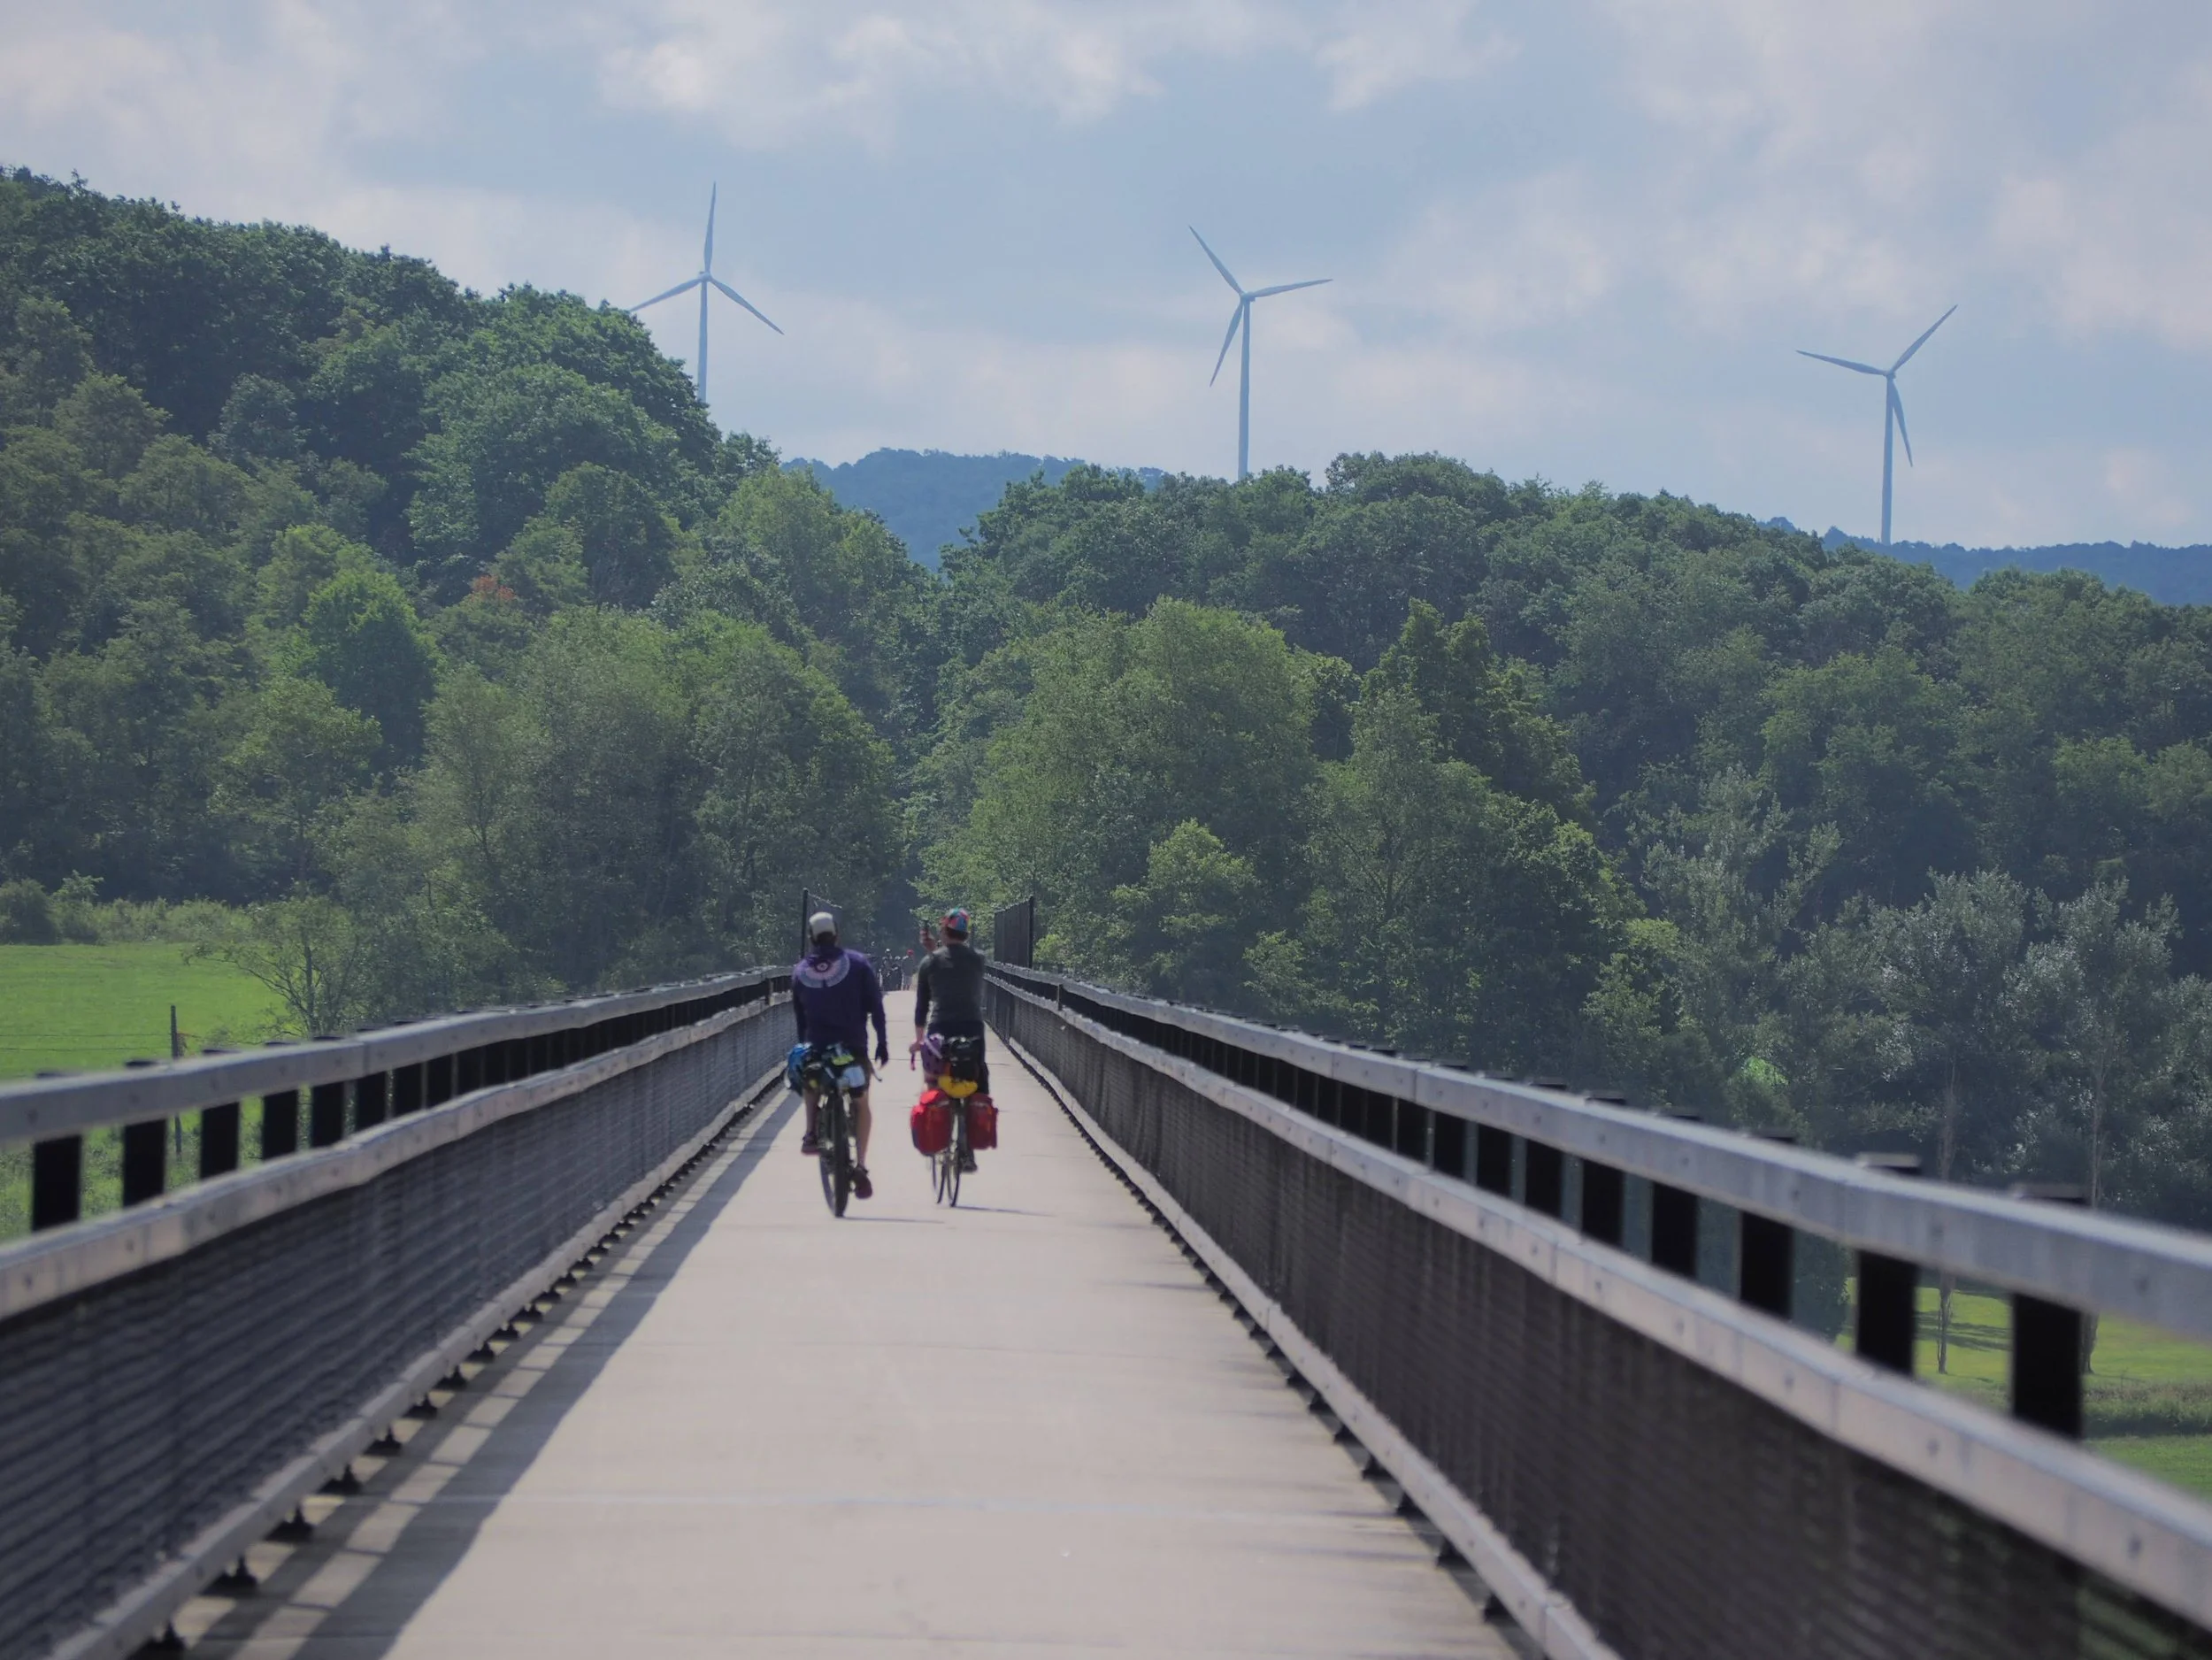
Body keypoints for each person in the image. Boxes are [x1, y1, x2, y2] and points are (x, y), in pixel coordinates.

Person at [791, 911, 889, 1199]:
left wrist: (805, 1045)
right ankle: (861, 1164)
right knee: (861, 1102)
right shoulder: (857, 964)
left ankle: (811, 1131)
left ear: (811, 938)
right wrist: (882, 1043)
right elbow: (876, 1007)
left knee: (811, 1080)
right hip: (853, 1048)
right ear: (837, 935)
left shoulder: (800, 971)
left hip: (818, 1049)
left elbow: (800, 1020)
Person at [911, 907, 989, 1170]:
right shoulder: (978, 960)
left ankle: (934, 1131)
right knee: (977, 1077)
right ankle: (968, 1150)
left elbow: (922, 1007)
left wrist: (919, 1040)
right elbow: (956, 964)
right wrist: (937, 948)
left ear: (944, 930)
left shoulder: (929, 963)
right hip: (972, 1029)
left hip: (940, 1029)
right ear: (966, 934)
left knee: (933, 1079)